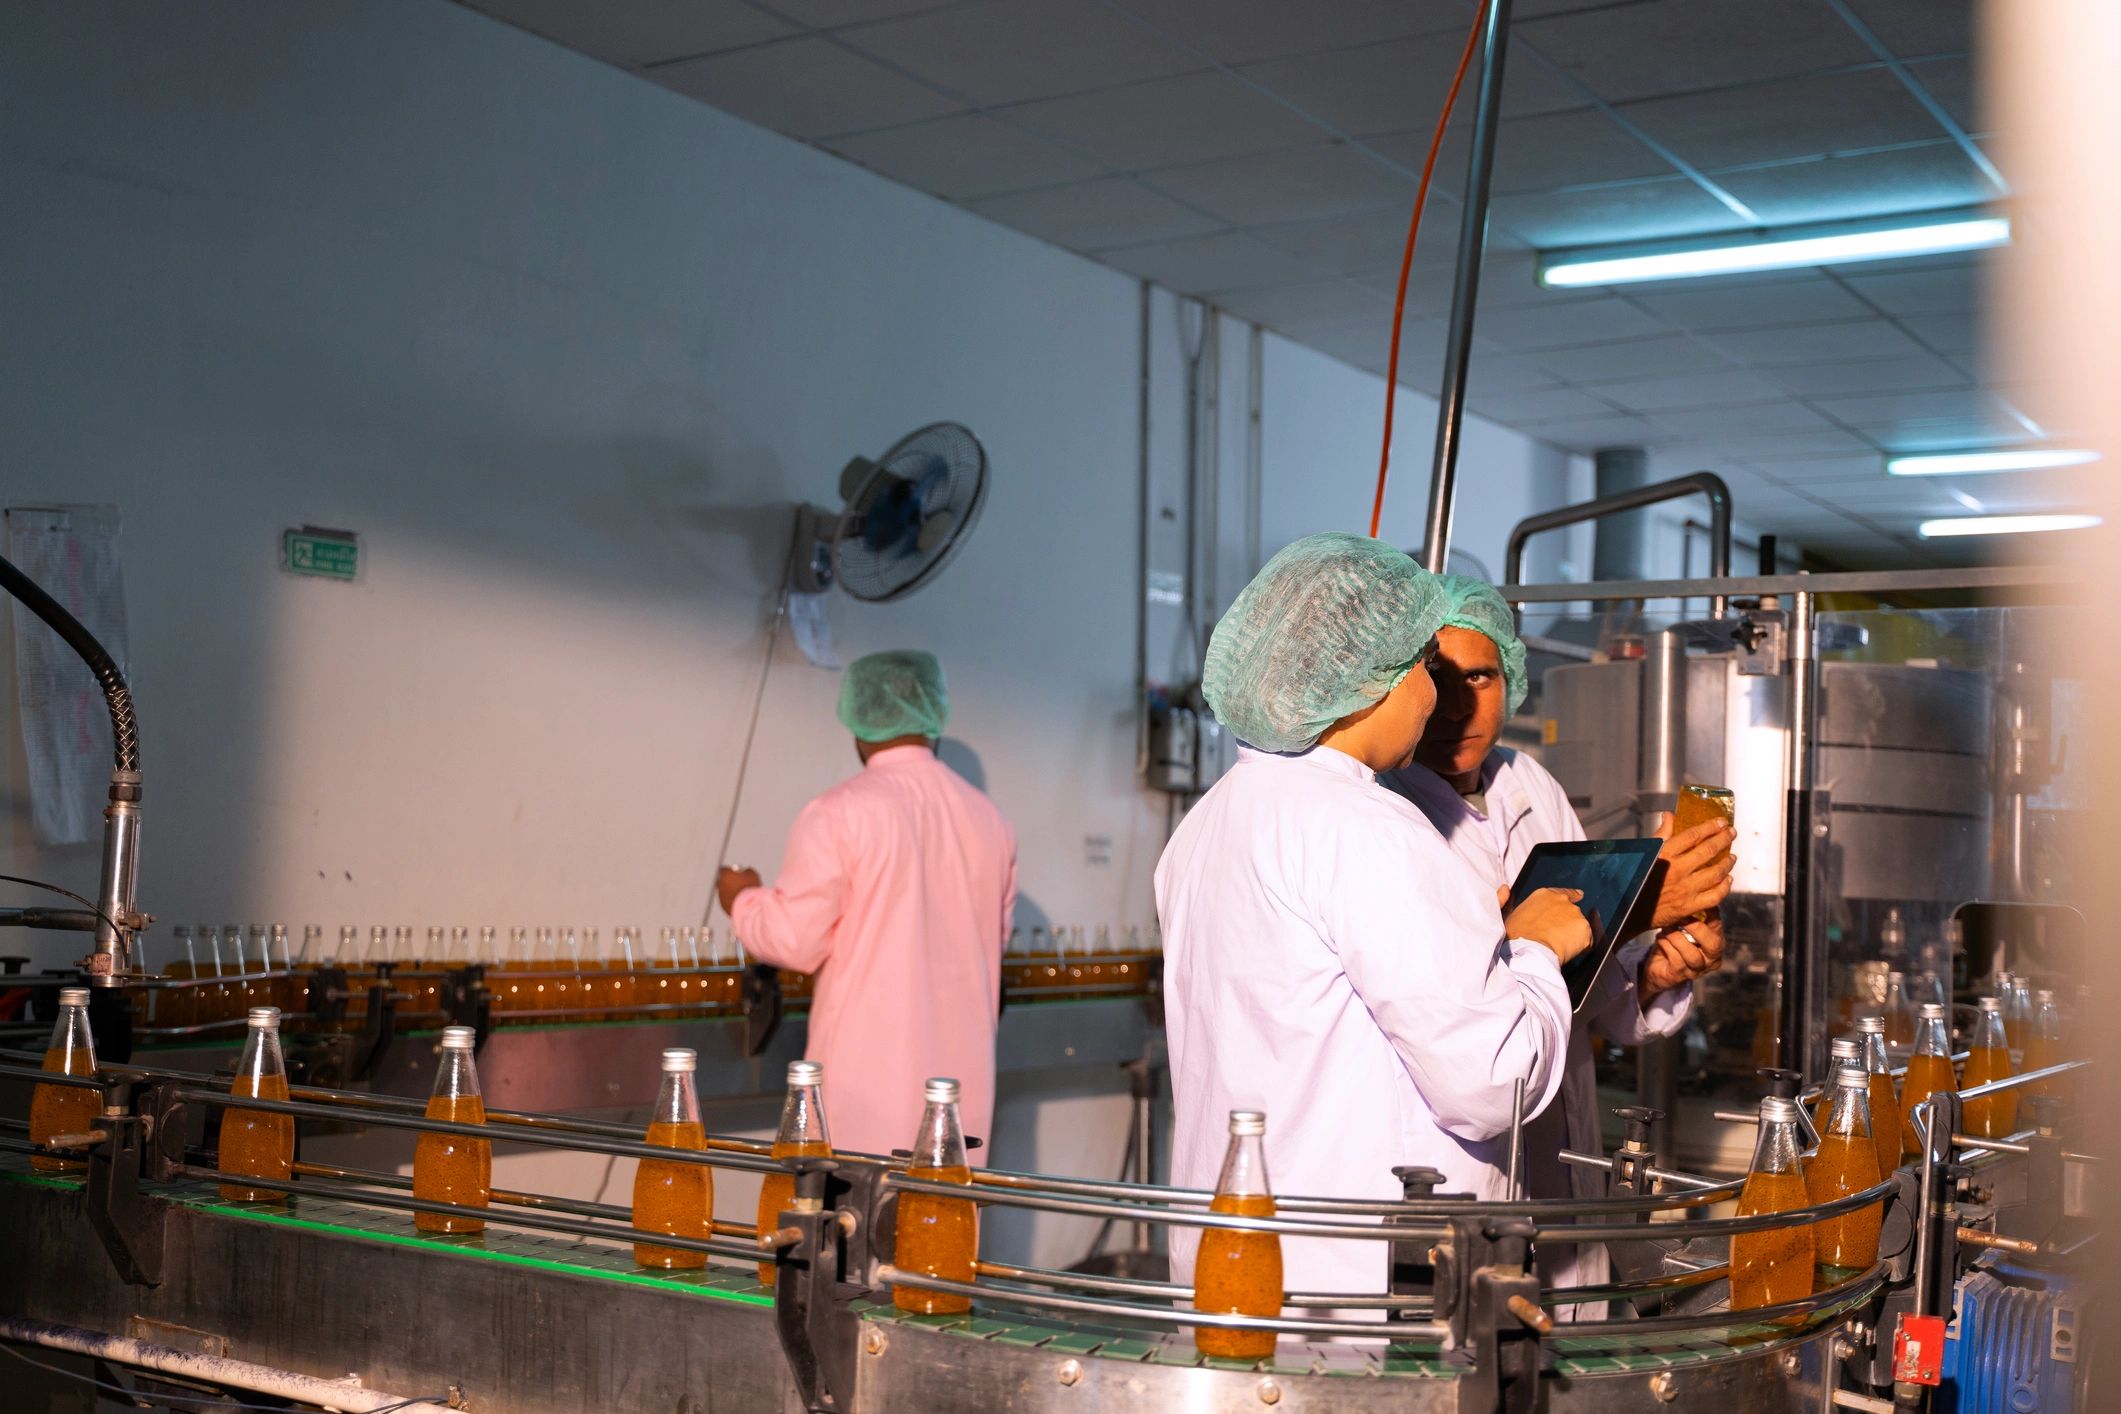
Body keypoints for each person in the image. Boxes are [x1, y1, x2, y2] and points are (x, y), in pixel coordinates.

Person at [1156, 533, 1593, 1303]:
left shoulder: (1212, 819)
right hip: (1357, 1282)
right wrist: (1531, 952)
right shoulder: (1368, 827)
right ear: (1368, 681)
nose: (1437, 699)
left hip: (1237, 1252)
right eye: (1426, 669)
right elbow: (1491, 1084)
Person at [1378, 574, 1733, 1302]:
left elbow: (1575, 987)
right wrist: (1633, 910)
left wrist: (1650, 972)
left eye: (1480, 675)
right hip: (1452, 1161)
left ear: (1510, 678)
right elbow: (1468, 994)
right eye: (1436, 678)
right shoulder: (1382, 808)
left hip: (1561, 1147)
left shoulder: (1527, 782)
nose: (1458, 705)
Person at [718, 650, 1016, 1157]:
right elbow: (994, 942)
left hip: (865, 1093)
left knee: (854, 1227)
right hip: (960, 1099)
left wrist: (742, 897)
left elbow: (794, 940)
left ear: (858, 721)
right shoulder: (990, 821)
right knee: (944, 1228)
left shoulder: (839, 813)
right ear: (933, 716)